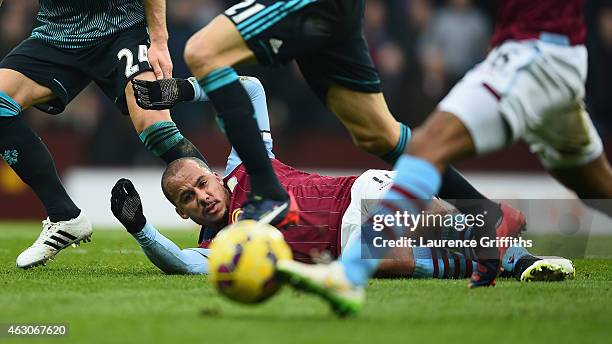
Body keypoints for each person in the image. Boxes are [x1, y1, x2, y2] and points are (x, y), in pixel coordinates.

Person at [275, 0, 612, 316]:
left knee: (422, 147)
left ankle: (349, 275)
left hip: (531, 55)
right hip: (557, 54)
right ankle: (495, 226)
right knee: (594, 183)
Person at [110, 76, 573, 284]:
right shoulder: (220, 246)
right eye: (188, 198)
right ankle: (489, 258)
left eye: (201, 184)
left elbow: (249, 88)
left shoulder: (250, 163)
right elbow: (181, 265)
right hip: (341, 248)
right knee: (386, 260)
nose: (201, 196)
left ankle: (516, 257)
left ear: (214, 174)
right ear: (182, 213)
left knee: (426, 218)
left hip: (358, 193)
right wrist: (140, 229)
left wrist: (182, 91)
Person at [131, 0, 512, 250]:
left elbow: (249, 87)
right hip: (336, 12)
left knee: (201, 50)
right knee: (378, 133)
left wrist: (166, 56)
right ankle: (488, 217)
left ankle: (267, 191)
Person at [0, 0, 207, 269]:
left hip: (124, 29)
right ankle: (64, 216)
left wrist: (158, 39)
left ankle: (229, 224)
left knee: (156, 127)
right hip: (59, 33)